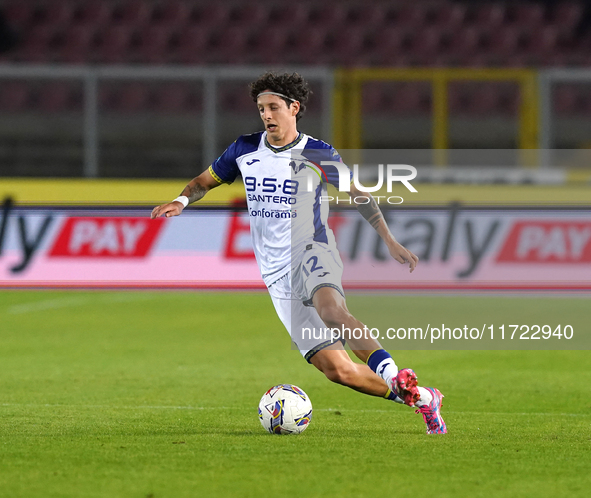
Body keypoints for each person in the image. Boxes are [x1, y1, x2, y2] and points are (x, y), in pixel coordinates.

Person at [151, 72, 446, 434]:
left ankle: (393, 372)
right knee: (339, 371)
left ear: (294, 108)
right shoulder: (244, 149)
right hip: (275, 273)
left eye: (274, 107)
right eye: (261, 108)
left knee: (332, 312)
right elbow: (202, 182)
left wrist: (388, 239)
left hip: (313, 251)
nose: (267, 115)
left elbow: (357, 194)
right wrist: (181, 201)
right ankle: (424, 399)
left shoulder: (317, 152)